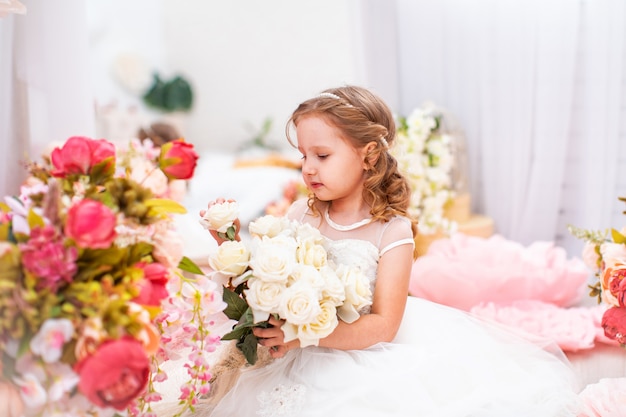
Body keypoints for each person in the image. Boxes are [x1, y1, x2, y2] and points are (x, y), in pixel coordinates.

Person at [187, 86, 582, 416]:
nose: (308, 168)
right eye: (304, 156)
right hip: (288, 353)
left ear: (369, 155)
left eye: (322, 156)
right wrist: (230, 248)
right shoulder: (299, 213)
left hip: (354, 351)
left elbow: (383, 325)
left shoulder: (392, 231)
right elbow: (265, 279)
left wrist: (305, 336)